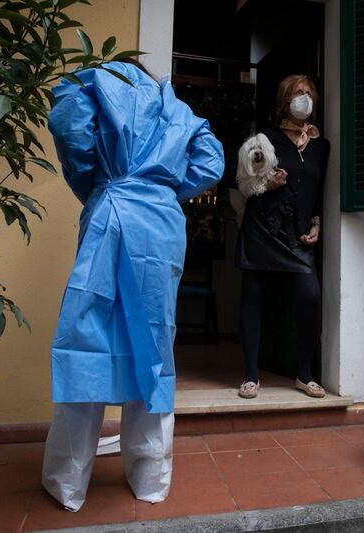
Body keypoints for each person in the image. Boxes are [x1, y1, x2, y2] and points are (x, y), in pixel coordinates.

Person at [42, 60, 224, 511]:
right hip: (160, 224)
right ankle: (150, 479)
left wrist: (96, 181)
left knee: (87, 335)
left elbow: (69, 126)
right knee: (155, 345)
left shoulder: (92, 82)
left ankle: (68, 482)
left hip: (113, 209)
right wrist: (161, 187)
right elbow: (212, 162)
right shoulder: (177, 107)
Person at [235, 74, 330, 399]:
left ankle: (304, 374)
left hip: (297, 234)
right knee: (254, 299)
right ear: (283, 100)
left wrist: (317, 223)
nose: (303, 98)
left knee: (310, 296)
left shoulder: (321, 145)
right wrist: (268, 185)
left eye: (308, 93)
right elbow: (243, 185)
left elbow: (318, 191)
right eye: (296, 93)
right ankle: (250, 375)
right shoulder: (265, 139)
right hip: (262, 228)